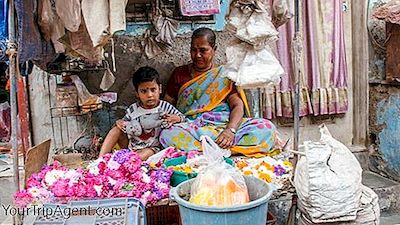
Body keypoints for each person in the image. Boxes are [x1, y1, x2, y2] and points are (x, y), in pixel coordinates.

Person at [160, 27, 279, 157]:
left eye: (203, 50)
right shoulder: (179, 73)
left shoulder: (225, 74)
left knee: (266, 127)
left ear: (214, 49)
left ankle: (206, 151)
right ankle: (222, 150)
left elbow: (237, 106)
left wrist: (230, 130)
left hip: (223, 125)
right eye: (193, 50)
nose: (197, 55)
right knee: (167, 134)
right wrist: (174, 119)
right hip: (193, 127)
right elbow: (167, 106)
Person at [99, 66, 186, 160]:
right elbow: (124, 126)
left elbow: (184, 119)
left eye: (153, 90)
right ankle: (100, 160)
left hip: (153, 149)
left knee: (142, 155)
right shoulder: (133, 109)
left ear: (159, 89)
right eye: (144, 91)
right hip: (131, 147)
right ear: (137, 93)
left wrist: (177, 118)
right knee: (116, 130)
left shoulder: (165, 107)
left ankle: (128, 161)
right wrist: (120, 123)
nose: (149, 95)